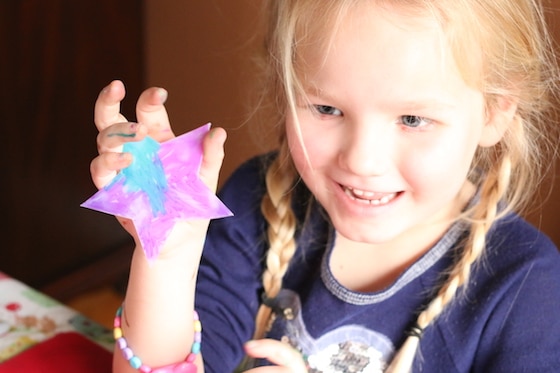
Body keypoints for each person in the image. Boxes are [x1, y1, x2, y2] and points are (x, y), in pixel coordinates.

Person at [90, 0, 560, 372]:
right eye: (327, 109)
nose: (361, 160)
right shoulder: (254, 202)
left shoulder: (527, 288)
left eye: (414, 119)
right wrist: (167, 258)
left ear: (496, 111)